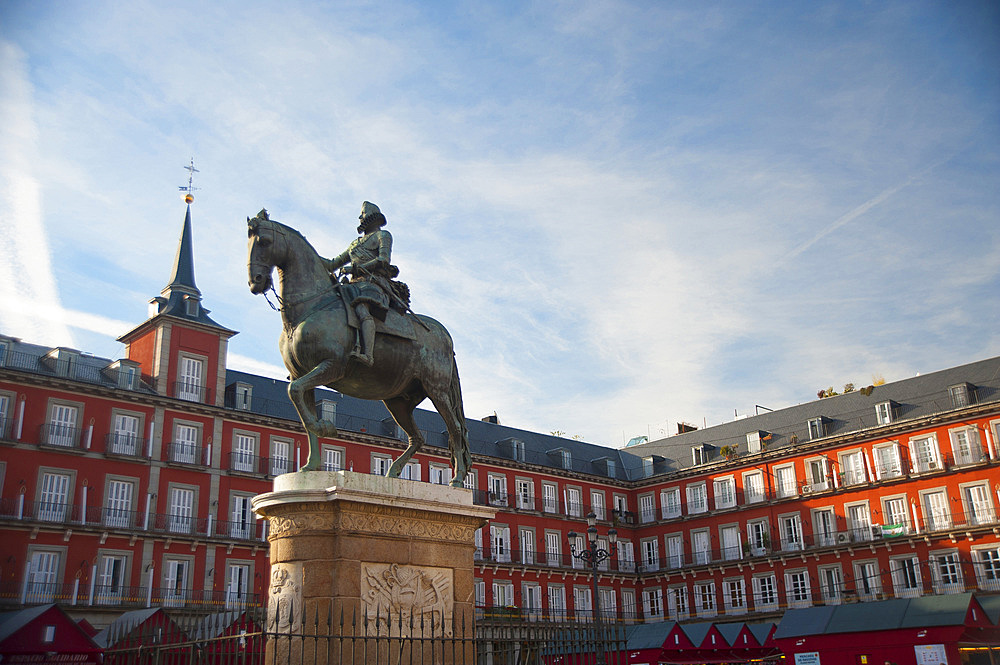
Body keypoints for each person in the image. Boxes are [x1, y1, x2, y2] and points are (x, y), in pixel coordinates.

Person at [323, 201, 395, 367]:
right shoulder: (354, 244)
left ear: (370, 216)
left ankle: (368, 355)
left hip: (374, 283)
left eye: (362, 213)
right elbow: (333, 263)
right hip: (353, 285)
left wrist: (355, 268)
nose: (359, 217)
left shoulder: (383, 236)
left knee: (362, 309)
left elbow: (384, 260)